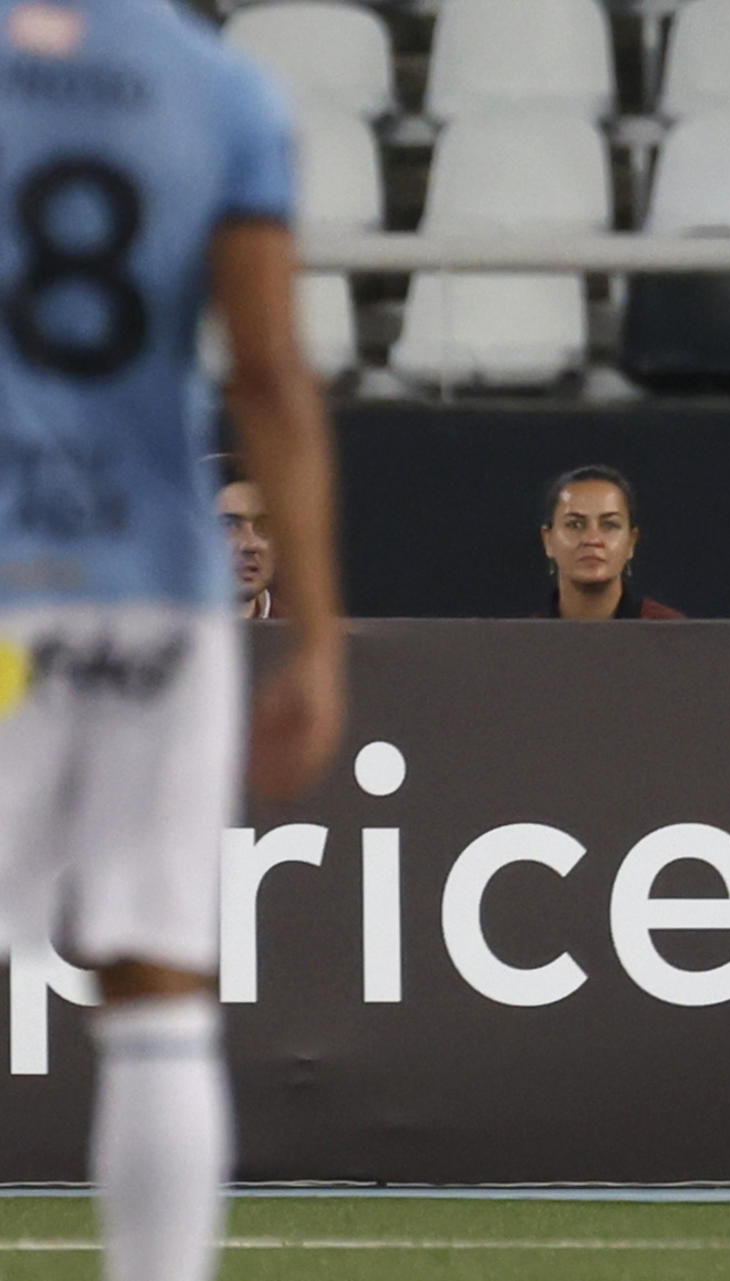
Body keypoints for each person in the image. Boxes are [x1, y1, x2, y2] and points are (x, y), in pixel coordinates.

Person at [0, 3, 346, 1279]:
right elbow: (268, 372)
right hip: (155, 591)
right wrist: (315, 636)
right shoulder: (224, 93)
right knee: (158, 995)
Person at [536, 465, 684, 620]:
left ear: (631, 542)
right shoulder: (523, 640)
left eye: (609, 525)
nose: (592, 539)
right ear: (548, 540)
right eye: (575, 524)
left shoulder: (672, 632)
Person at [212, 455, 275, 619]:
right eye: (229, 525)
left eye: (264, 526)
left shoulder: (307, 634)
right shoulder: (152, 633)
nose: (251, 544)